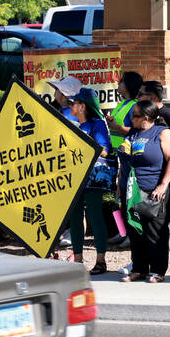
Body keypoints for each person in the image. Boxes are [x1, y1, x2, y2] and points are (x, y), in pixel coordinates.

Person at [120, 100, 170, 283]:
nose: (130, 119)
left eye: (133, 116)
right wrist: (119, 186)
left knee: (155, 231)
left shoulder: (162, 133)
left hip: (153, 189)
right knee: (135, 229)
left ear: (145, 118)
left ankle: (157, 270)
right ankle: (138, 268)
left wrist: (163, 185)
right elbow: (125, 162)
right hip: (130, 190)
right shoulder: (133, 132)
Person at [68, 88, 113, 275]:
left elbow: (104, 151)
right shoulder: (71, 123)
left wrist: (82, 139)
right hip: (74, 176)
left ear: (82, 106)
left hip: (94, 177)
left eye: (74, 103)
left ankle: (101, 261)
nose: (70, 105)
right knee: (74, 217)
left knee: (95, 216)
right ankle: (78, 261)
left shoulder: (97, 124)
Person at [108, 72, 144, 151]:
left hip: (126, 154)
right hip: (116, 153)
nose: (118, 83)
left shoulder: (135, 106)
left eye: (121, 81)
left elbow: (138, 132)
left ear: (129, 85)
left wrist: (116, 127)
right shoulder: (122, 103)